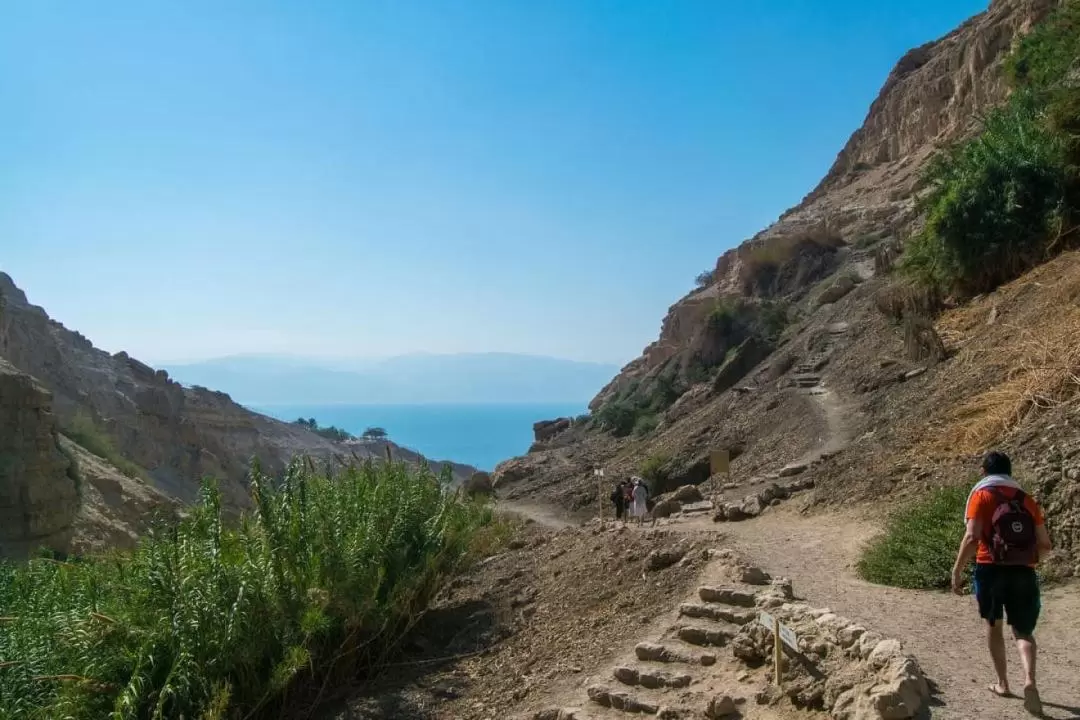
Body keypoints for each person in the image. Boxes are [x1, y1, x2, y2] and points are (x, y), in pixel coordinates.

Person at [951, 450, 1053, 716]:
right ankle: (1030, 680)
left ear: (984, 472)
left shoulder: (981, 495)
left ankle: (1003, 683)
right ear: (1010, 473)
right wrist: (1030, 562)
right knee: (1023, 631)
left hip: (990, 569)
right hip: (1024, 572)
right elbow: (1045, 544)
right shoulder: (1026, 500)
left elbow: (972, 537)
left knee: (993, 625)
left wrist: (957, 570)